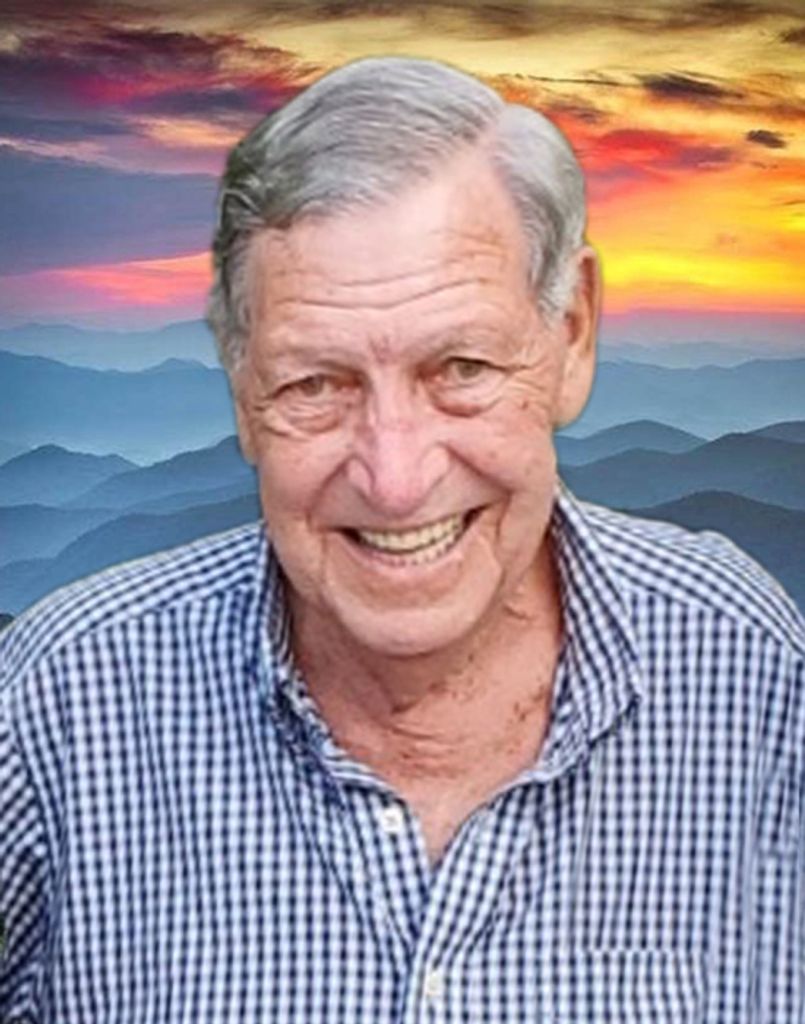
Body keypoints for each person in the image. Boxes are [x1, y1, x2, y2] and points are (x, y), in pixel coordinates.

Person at [1, 56, 802, 1023]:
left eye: (460, 367)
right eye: (315, 384)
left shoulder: (747, 673)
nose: (394, 476)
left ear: (571, 334)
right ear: (241, 383)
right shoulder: (60, 705)